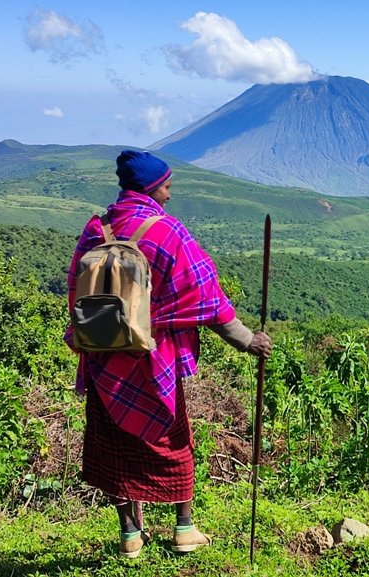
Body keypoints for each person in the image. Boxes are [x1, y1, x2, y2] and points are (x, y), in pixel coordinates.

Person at [64, 150, 272, 558]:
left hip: (105, 361)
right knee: (171, 439)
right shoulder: (166, 231)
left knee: (113, 447)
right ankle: (184, 529)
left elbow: (75, 290)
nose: (170, 194)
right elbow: (206, 296)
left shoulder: (96, 228)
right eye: (167, 185)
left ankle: (130, 537)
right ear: (151, 187)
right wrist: (248, 340)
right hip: (153, 361)